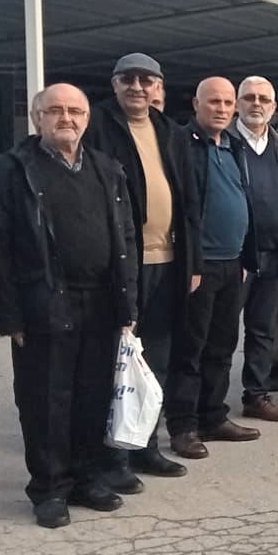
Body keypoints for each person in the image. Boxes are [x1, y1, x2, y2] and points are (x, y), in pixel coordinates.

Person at [0, 84, 138, 528]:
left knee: (93, 396)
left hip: (102, 301)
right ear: (38, 118)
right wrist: (9, 314)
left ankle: (88, 478)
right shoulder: (15, 170)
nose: (66, 118)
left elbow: (127, 237)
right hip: (43, 300)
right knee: (46, 400)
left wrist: (128, 302)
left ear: (87, 119)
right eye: (55, 110)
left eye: (75, 111)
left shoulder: (107, 168)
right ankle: (50, 488)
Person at [81, 52, 188, 484]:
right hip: (121, 266)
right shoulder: (97, 126)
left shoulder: (170, 131)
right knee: (116, 363)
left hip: (168, 263)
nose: (137, 87)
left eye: (147, 80)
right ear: (114, 84)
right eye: (128, 79)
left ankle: (147, 446)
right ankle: (114, 457)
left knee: (155, 361)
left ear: (159, 86)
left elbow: (189, 199)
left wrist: (193, 262)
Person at [162, 78, 262, 458]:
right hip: (199, 267)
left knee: (222, 346)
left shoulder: (233, 146)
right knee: (190, 349)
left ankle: (213, 416)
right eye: (213, 102)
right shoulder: (181, 145)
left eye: (227, 102)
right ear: (196, 104)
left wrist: (245, 259)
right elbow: (181, 207)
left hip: (232, 264)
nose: (221, 109)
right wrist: (191, 263)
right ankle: (183, 426)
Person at [235, 76, 278, 421]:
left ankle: (256, 395)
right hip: (236, 257)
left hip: (274, 253)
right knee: (219, 332)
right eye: (249, 97)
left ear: (274, 108)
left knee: (263, 329)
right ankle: (205, 404)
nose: (256, 104)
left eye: (263, 99)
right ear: (238, 104)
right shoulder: (225, 142)